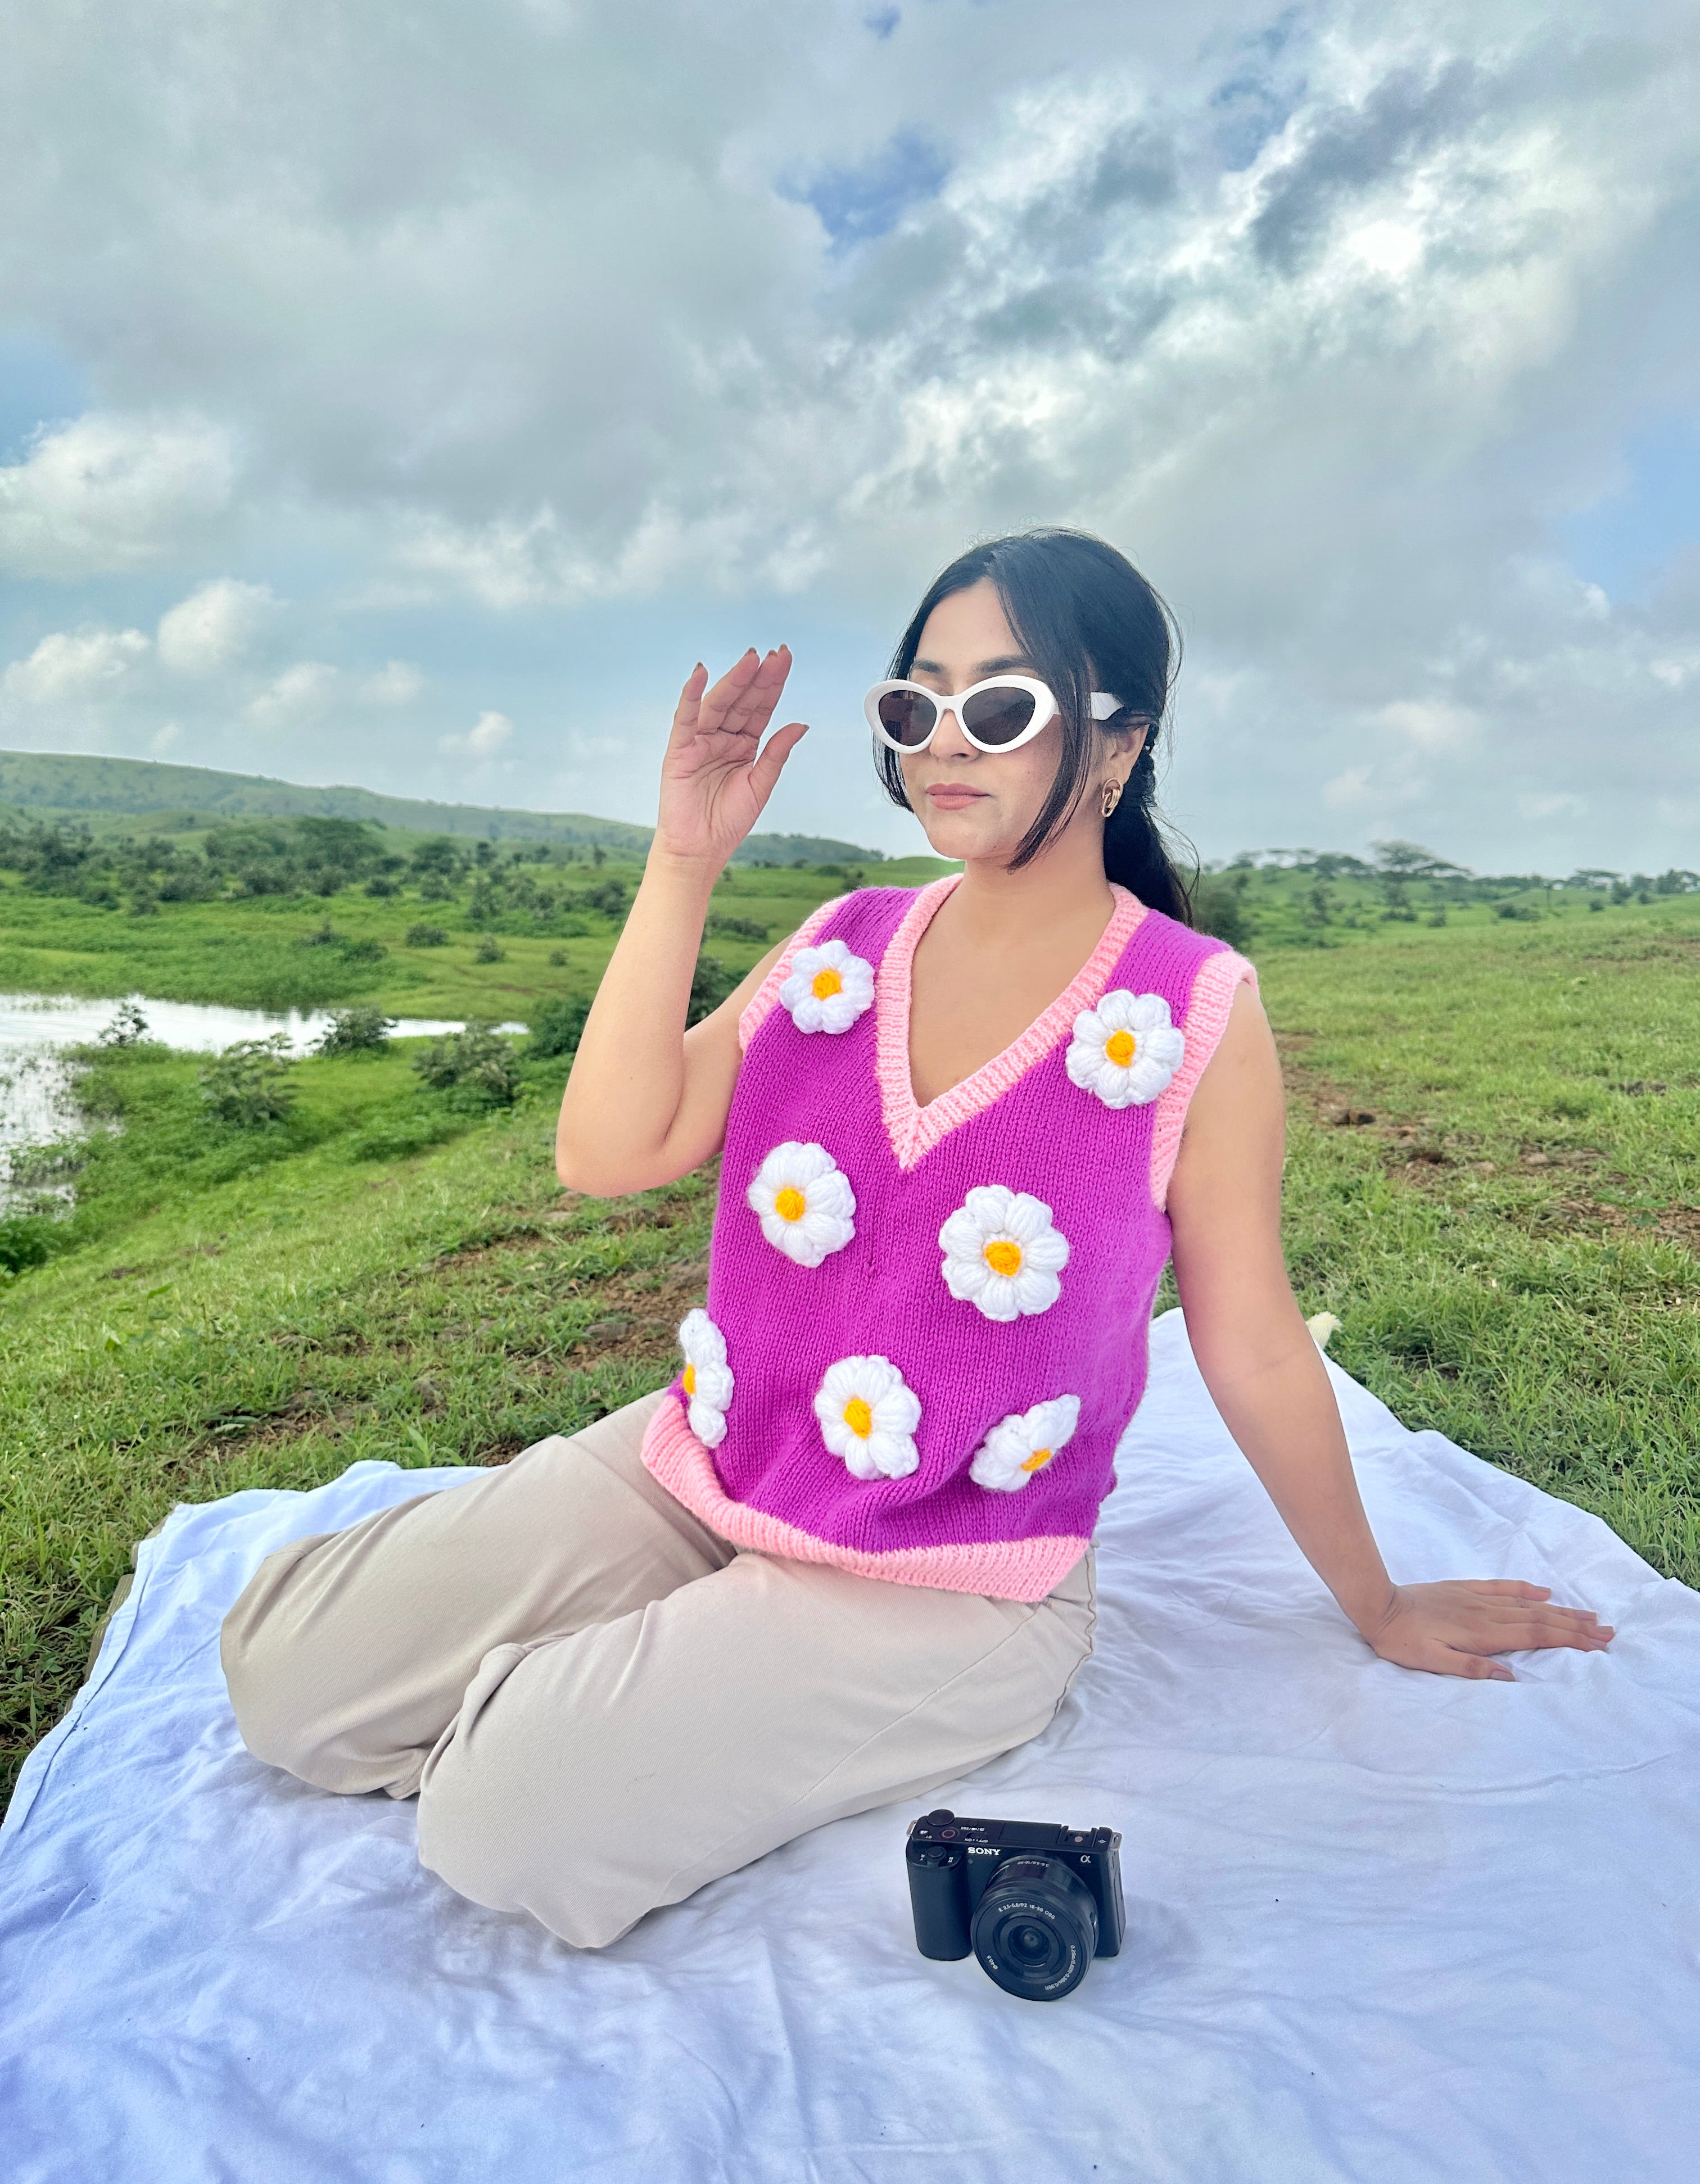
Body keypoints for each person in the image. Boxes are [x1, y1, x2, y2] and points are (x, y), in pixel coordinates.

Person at [221, 528, 1613, 1950]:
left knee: (497, 1825)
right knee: (289, 1680)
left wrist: (1373, 1600)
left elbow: (1249, 1338)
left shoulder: (1191, 1011)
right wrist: (685, 858)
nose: (949, 741)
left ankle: (601, 1694)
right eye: (917, 704)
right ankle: (630, 1655)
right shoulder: (843, 942)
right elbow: (608, 1152)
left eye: (1001, 706)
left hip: (955, 1575)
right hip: (715, 1463)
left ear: (1119, 747)